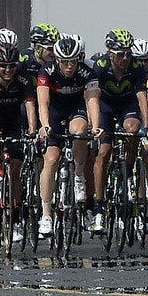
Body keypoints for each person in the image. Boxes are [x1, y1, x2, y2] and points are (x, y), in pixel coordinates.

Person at [87, 29, 148, 234]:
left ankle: (127, 170)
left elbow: (143, 97)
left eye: (127, 53)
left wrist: (147, 126)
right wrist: (94, 125)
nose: (125, 58)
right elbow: (93, 98)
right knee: (104, 152)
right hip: (105, 106)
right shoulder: (100, 66)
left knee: (133, 129)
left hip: (127, 104)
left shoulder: (136, 66)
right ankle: (98, 208)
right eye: (120, 54)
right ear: (109, 52)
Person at [35, 34, 99, 238]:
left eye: (73, 61)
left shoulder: (88, 71)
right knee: (51, 160)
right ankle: (46, 215)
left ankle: (79, 174)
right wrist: (45, 126)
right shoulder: (47, 71)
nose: (69, 66)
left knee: (80, 132)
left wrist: (96, 126)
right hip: (54, 111)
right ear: (57, 60)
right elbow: (43, 102)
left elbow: (92, 101)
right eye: (65, 62)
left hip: (76, 108)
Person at [0, 43, 38, 243]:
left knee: (15, 170)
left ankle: (17, 216)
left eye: (12, 66)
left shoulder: (23, 78)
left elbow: (30, 106)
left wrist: (31, 130)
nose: (8, 70)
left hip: (14, 121)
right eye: (3, 66)